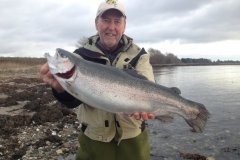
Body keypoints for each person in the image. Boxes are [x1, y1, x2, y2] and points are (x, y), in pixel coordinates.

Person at [40, 0, 156, 159]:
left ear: (124, 25)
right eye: (106, 20)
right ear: (96, 23)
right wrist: (60, 89)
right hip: (94, 139)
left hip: (134, 138)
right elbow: (73, 101)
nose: (111, 27)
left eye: (117, 21)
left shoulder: (139, 55)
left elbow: (149, 86)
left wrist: (148, 106)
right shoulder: (81, 56)